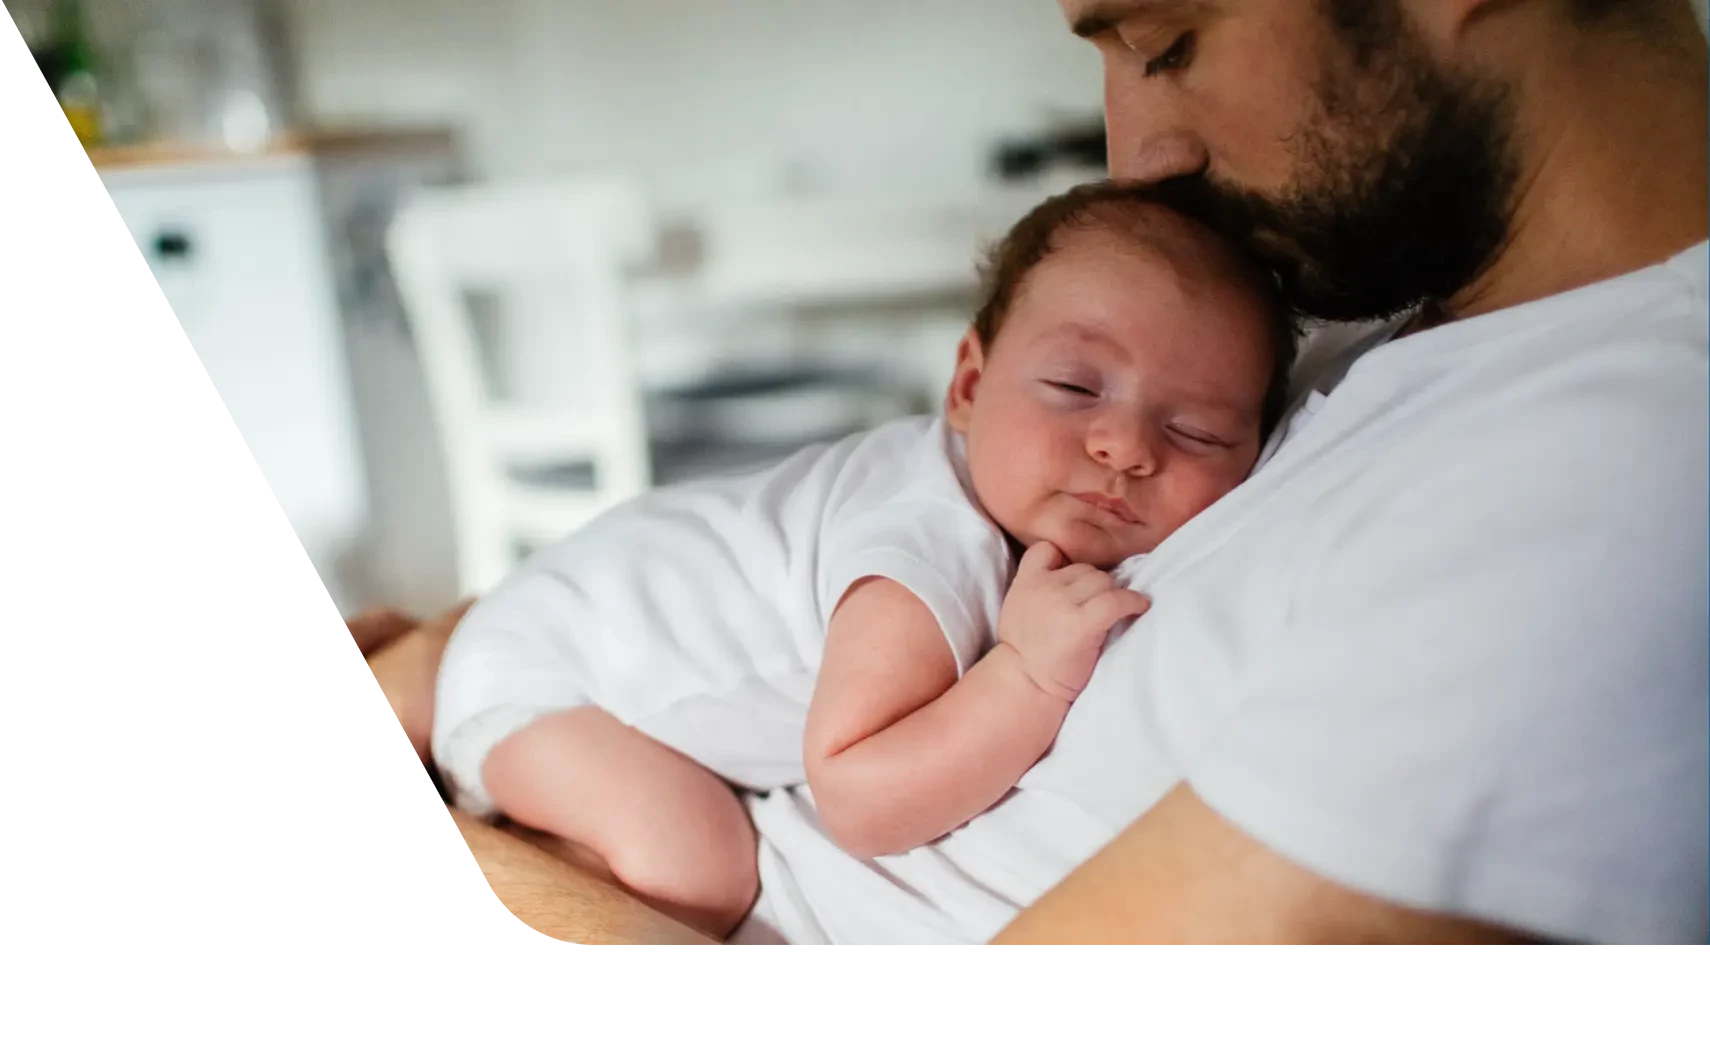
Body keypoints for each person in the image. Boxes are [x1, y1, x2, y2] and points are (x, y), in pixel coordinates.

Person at [355, 0, 1708, 948]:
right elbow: (777, 568)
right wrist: (448, 662)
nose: (1140, 156)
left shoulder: (1621, 477)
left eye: (1168, 40)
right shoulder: (1358, 317)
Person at [424, 182, 1295, 941]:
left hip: (565, 614)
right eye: (1075, 388)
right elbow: (859, 800)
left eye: (1198, 432)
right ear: (966, 388)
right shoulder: (928, 546)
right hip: (543, 677)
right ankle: (500, 820)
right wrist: (1029, 675)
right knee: (701, 874)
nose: (1125, 446)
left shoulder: (992, 498)